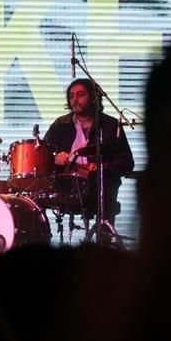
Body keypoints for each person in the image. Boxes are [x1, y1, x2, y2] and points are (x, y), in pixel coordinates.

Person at [42, 78, 134, 230]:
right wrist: (54, 159)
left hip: (99, 187)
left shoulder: (110, 125)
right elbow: (43, 156)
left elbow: (126, 162)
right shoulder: (60, 125)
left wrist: (101, 168)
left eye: (80, 95)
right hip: (66, 186)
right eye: (71, 96)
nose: (74, 100)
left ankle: (104, 240)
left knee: (106, 196)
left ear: (93, 97)